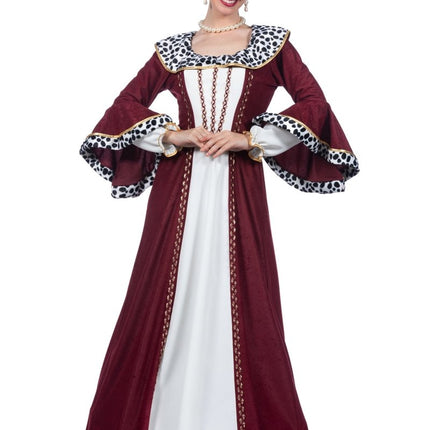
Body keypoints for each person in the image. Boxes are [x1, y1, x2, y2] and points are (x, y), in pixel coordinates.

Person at [79, 0, 359, 429]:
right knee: (160, 290)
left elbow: (313, 103)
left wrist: (249, 139)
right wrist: (175, 135)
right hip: (176, 195)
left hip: (239, 189)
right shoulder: (172, 49)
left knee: (243, 286)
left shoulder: (273, 44)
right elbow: (125, 105)